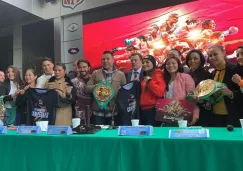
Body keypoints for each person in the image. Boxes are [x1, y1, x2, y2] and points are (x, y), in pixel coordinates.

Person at [85, 51, 126, 125]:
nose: (105, 61)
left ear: (113, 60)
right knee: (99, 135)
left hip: (114, 111)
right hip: (98, 111)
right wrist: (97, 86)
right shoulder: (95, 73)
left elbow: (125, 92)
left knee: (112, 135)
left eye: (108, 59)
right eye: (103, 59)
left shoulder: (121, 74)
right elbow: (87, 88)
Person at [209, 45, 241, 127]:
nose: (212, 57)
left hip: (232, 115)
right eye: (210, 55)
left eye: (215, 54)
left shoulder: (235, 70)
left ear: (223, 53)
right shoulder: (213, 73)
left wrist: (231, 93)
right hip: (215, 115)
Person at [162, 56, 199, 126]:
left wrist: (195, 115)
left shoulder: (185, 77)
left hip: (183, 115)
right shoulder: (164, 79)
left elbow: (192, 98)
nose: (170, 65)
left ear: (178, 65)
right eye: (168, 64)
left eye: (173, 63)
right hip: (167, 116)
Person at [186, 49, 213, 126]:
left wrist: (202, 100)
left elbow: (210, 93)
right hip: (188, 108)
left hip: (203, 110)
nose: (192, 61)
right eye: (190, 59)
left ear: (201, 60)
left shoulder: (206, 74)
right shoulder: (186, 74)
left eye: (195, 58)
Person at [140, 55, 166, 126]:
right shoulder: (145, 76)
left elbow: (160, 92)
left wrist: (150, 81)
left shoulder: (157, 74)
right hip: (144, 110)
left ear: (153, 64)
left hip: (152, 111)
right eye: (143, 62)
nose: (144, 64)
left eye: (147, 62)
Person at [71, 59, 92, 124]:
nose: (82, 69)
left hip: (94, 113)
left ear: (89, 68)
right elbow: (72, 99)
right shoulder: (73, 81)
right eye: (80, 67)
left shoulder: (94, 79)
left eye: (84, 67)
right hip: (79, 114)